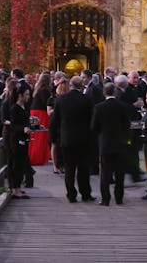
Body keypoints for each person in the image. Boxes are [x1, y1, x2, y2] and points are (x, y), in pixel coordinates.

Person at [50, 75, 95, 203]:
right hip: (83, 138)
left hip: (67, 138)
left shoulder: (61, 99)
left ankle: (71, 194)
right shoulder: (87, 99)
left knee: (69, 168)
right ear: (82, 86)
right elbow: (92, 118)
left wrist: (55, 136)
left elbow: (55, 120)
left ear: (70, 86)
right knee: (83, 168)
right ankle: (85, 193)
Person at [90, 82, 131, 205]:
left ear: (104, 93)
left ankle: (105, 199)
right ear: (115, 93)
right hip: (120, 143)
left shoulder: (98, 107)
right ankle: (119, 198)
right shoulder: (123, 106)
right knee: (120, 173)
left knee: (105, 173)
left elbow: (94, 126)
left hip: (105, 143)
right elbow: (127, 125)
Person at [6, 85, 32, 199]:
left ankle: (17, 187)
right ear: (20, 96)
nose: (28, 96)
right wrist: (23, 129)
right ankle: (14, 188)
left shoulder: (25, 107)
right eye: (26, 94)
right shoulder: (14, 109)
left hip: (24, 139)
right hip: (16, 140)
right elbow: (13, 125)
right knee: (16, 164)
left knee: (21, 164)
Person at [28, 72, 52, 166]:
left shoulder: (37, 89)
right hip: (41, 113)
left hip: (34, 112)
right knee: (41, 136)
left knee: (34, 135)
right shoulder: (45, 91)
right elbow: (46, 103)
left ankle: (32, 156)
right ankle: (37, 157)